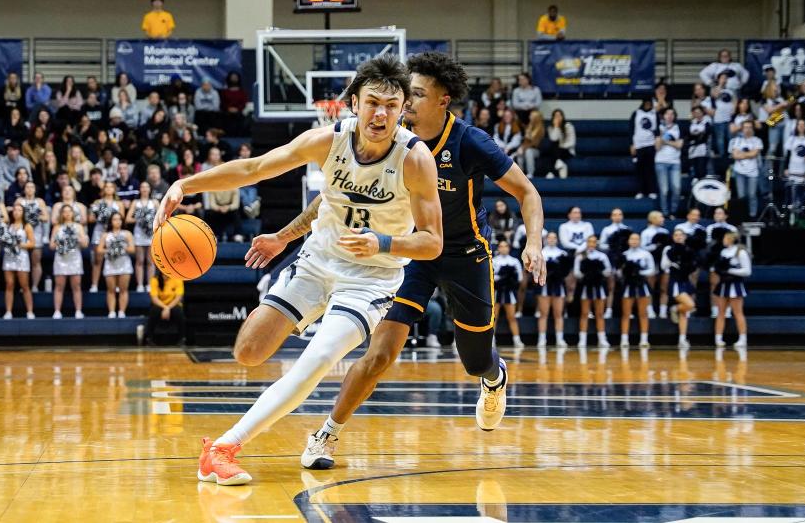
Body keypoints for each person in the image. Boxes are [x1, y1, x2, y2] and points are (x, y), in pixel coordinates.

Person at [235, 52, 544, 473]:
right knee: (379, 354)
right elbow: (332, 204)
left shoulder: (470, 142)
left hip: (464, 253)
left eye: (416, 94)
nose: (405, 102)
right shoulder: (384, 139)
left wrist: (535, 244)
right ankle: (325, 434)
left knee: (475, 359)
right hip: (403, 250)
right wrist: (285, 236)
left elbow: (527, 192)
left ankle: (493, 376)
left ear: (443, 100)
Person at [155, 55, 446, 486]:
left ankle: (222, 448)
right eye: (372, 102)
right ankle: (291, 311)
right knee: (248, 352)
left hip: (370, 279)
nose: (380, 113)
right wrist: (185, 185)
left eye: (391, 104)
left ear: (403, 108)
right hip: (317, 262)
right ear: (353, 103)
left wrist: (382, 242)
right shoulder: (328, 141)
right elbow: (255, 168)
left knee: (318, 359)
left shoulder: (414, 159)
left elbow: (432, 242)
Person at [712, 231, 751, 349]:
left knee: (737, 312)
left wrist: (730, 271)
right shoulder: (723, 252)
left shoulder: (741, 252)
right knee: (721, 312)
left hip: (735, 284)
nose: (723, 240)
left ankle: (742, 338)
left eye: (725, 238)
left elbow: (747, 271)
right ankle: (718, 338)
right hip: (723, 284)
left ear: (730, 239)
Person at [661, 228, 698, 349]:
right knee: (690, 305)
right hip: (675, 280)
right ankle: (674, 308)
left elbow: (693, 266)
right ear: (673, 237)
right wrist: (674, 260)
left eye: (681, 235)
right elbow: (664, 266)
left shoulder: (689, 250)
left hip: (685, 280)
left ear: (685, 237)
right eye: (676, 235)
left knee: (684, 312)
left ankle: (682, 339)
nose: (678, 237)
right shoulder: (668, 249)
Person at [574, 234, 612, 348]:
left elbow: (608, 270)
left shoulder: (602, 256)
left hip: (598, 286)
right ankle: (582, 340)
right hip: (586, 286)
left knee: (599, 313)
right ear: (586, 243)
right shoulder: (580, 257)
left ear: (597, 243)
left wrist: (598, 274)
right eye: (589, 242)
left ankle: (602, 339)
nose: (591, 244)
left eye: (594, 242)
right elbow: (576, 273)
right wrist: (587, 275)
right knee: (585, 313)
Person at [618, 232, 655, 349]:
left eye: (636, 239)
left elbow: (652, 270)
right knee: (626, 313)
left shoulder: (646, 254)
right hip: (628, 285)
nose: (634, 241)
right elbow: (618, 272)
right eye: (632, 239)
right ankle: (624, 340)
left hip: (641, 284)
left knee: (643, 313)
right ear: (628, 241)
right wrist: (627, 272)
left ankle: (644, 339)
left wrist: (639, 273)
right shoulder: (624, 255)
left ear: (640, 241)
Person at [50, 204, 88, 319]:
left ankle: (78, 311)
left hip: (74, 257)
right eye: (64, 211)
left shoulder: (78, 227)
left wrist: (77, 238)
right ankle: (57, 311)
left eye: (69, 211)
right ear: (61, 214)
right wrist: (61, 242)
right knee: (59, 286)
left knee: (76, 286)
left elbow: (85, 244)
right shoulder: (57, 227)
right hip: (61, 258)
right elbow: (51, 245)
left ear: (73, 213)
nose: (67, 213)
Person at [98, 211, 135, 318]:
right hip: (110, 263)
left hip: (124, 263)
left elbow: (132, 249)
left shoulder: (127, 233)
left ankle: (122, 311)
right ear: (111, 221)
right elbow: (99, 249)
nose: (117, 221)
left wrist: (121, 248)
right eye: (114, 219)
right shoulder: (106, 235)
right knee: (111, 290)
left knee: (123, 289)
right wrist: (110, 250)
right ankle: (112, 312)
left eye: (119, 219)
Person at [1, 204, 35, 319]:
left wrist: (19, 244)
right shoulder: (8, 226)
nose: (16, 212)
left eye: (19, 210)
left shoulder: (27, 226)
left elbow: (32, 243)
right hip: (9, 258)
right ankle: (8, 311)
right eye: (15, 210)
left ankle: (30, 311)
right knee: (9, 285)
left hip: (22, 257)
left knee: (24, 285)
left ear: (23, 212)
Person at [89, 181, 124, 292]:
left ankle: (117, 285)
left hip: (114, 232)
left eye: (111, 187)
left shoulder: (119, 204)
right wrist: (101, 216)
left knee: (116, 256)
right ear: (103, 190)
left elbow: (122, 219)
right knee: (97, 259)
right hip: (99, 232)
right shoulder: (97, 202)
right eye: (106, 187)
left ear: (114, 190)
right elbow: (90, 219)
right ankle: (94, 285)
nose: (108, 189)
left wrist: (111, 219)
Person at [537, 232, 569, 348]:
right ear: (546, 239)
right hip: (544, 284)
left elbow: (566, 272)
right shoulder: (541, 253)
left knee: (558, 313)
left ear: (557, 240)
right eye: (549, 237)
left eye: (554, 237)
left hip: (558, 285)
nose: (551, 239)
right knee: (543, 314)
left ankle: (560, 339)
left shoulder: (562, 254)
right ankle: (541, 339)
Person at [598, 207, 630, 319]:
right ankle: (608, 309)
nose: (617, 216)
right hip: (611, 259)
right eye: (615, 214)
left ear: (622, 216)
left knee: (627, 286)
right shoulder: (607, 230)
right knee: (611, 286)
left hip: (624, 260)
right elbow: (601, 245)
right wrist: (613, 246)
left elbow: (631, 244)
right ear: (611, 217)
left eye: (619, 214)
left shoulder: (627, 229)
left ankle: (627, 311)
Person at [17, 182, 49, 292]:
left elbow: (45, 218)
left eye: (32, 187)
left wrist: (35, 215)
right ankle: (23, 285)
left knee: (36, 260)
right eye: (27, 187)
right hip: (23, 232)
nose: (30, 189)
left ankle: (35, 286)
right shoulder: (20, 201)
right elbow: (15, 216)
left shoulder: (39, 201)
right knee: (21, 260)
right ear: (24, 189)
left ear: (35, 189)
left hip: (36, 232)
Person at [126, 181, 158, 291]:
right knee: (139, 260)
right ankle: (140, 284)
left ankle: (150, 284)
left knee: (150, 261)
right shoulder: (136, 202)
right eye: (142, 187)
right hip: (139, 233)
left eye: (146, 187)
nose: (144, 189)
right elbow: (128, 219)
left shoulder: (154, 202)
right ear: (140, 189)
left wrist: (150, 221)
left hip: (151, 233)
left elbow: (160, 217)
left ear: (149, 189)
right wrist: (141, 218)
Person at [729, 120, 763, 219]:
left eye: (749, 127)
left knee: (752, 195)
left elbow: (754, 154)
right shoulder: (737, 140)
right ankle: (743, 216)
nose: (747, 129)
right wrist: (748, 155)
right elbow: (735, 155)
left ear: (752, 129)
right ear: (742, 129)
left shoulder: (757, 140)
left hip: (753, 172)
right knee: (741, 196)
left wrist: (742, 154)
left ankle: (753, 216)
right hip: (739, 171)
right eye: (745, 127)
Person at [783, 118, 805, 212]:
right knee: (792, 190)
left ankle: (803, 212)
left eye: (803, 125)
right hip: (793, 169)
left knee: (804, 191)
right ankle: (791, 212)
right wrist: (786, 168)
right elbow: (787, 154)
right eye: (799, 125)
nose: (801, 127)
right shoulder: (792, 139)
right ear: (796, 127)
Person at [493, 240, 523, 348]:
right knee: (493, 317)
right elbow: (491, 277)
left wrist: (509, 278)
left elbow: (519, 278)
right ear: (498, 248)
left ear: (509, 248)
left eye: (506, 246)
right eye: (501, 246)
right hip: (496, 291)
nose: (503, 248)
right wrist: (501, 277)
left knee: (512, 316)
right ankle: (491, 339)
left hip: (508, 291)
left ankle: (517, 339)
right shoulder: (494, 260)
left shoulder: (514, 261)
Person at [141, 271, 185, 345]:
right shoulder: (154, 280)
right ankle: (149, 339)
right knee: (154, 311)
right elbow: (154, 298)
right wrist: (165, 308)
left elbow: (178, 298)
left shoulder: (177, 279)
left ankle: (182, 338)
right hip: (160, 304)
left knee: (179, 312)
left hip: (173, 304)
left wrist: (168, 308)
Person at [703, 72, 737, 167]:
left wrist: (733, 110)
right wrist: (720, 85)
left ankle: (731, 155)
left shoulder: (730, 90)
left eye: (726, 78)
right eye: (722, 78)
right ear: (718, 79)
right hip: (719, 118)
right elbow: (714, 96)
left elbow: (734, 100)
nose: (724, 79)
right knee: (720, 139)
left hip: (729, 119)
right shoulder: (714, 89)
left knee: (730, 138)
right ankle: (722, 157)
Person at [655, 107, 684, 218]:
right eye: (667, 114)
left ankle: (673, 211)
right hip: (661, 161)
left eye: (672, 114)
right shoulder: (658, 127)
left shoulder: (678, 127)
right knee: (664, 190)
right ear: (663, 116)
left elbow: (679, 145)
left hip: (675, 162)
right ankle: (665, 213)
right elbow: (657, 147)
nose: (670, 116)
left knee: (676, 188)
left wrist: (664, 141)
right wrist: (670, 141)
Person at [630, 97, 658, 200]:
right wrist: (631, 144)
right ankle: (640, 191)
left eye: (649, 104)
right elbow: (631, 129)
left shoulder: (655, 114)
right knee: (639, 170)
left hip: (651, 145)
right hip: (638, 146)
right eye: (646, 104)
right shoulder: (636, 113)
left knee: (650, 170)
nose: (648, 106)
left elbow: (658, 129)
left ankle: (652, 191)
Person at [760, 80, 788, 162]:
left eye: (777, 87)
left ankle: (782, 170)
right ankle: (768, 171)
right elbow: (769, 110)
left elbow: (789, 105)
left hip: (785, 124)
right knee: (772, 148)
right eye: (773, 87)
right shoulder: (765, 99)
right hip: (774, 126)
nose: (776, 89)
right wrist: (781, 105)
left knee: (785, 148)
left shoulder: (782, 97)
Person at [545, 109, 574, 179]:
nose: (558, 117)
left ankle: (550, 172)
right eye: (556, 116)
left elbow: (572, 142)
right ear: (553, 118)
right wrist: (556, 126)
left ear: (563, 116)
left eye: (559, 115)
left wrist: (561, 146)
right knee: (552, 147)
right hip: (556, 151)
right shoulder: (550, 128)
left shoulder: (568, 126)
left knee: (554, 148)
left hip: (567, 150)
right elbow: (553, 139)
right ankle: (559, 162)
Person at [687, 105, 712, 182]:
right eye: (695, 113)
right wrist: (698, 135)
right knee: (693, 172)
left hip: (702, 150)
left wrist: (695, 136)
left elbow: (705, 136)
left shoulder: (706, 123)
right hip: (692, 151)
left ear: (702, 113)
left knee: (701, 170)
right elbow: (688, 136)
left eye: (699, 112)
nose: (697, 114)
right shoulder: (691, 123)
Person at [516, 109, 544, 178]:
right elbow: (525, 140)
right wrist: (521, 148)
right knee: (520, 152)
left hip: (536, 150)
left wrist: (523, 148)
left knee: (528, 152)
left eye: (531, 116)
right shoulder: (529, 126)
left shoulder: (540, 128)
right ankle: (521, 173)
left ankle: (530, 173)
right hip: (527, 147)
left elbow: (535, 143)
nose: (529, 117)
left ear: (536, 118)